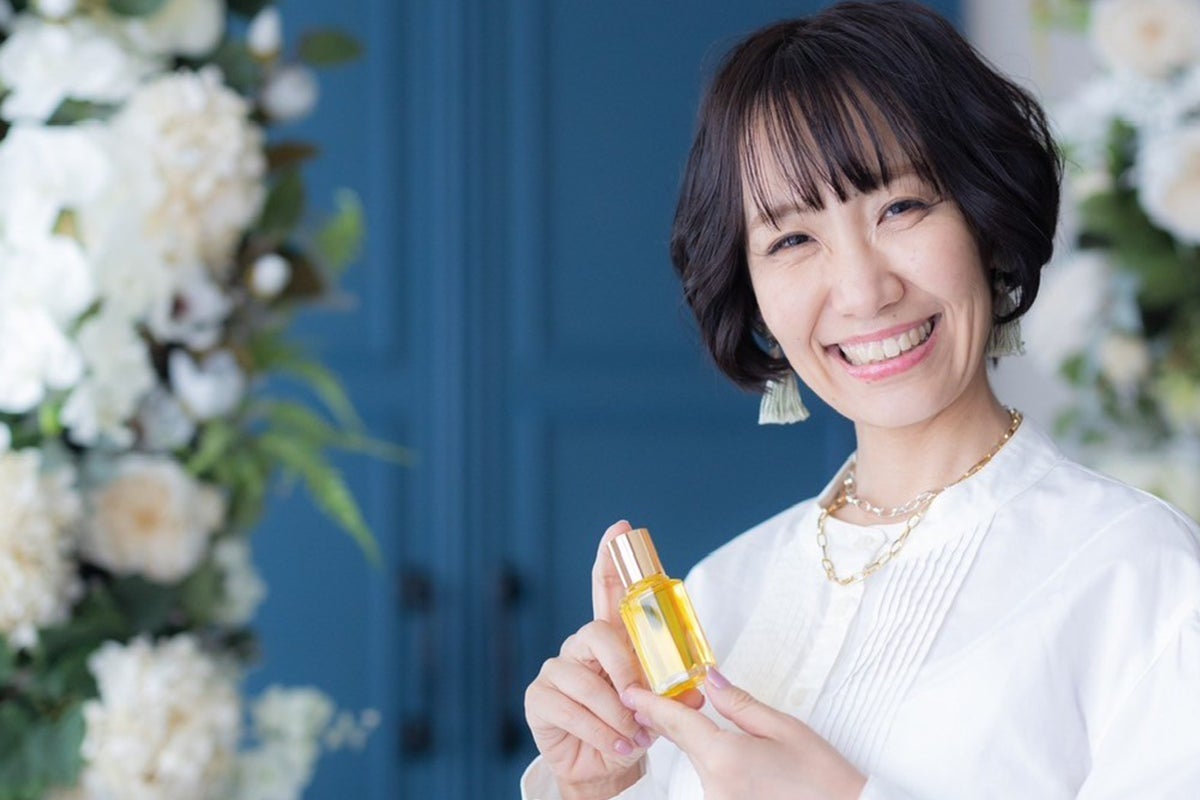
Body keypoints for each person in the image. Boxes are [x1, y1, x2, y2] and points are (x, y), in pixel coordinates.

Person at [521, 1, 1200, 798]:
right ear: (753, 292)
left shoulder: (1140, 574)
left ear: (984, 218)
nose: (863, 290)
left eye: (900, 207)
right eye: (792, 240)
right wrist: (603, 785)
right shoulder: (720, 590)